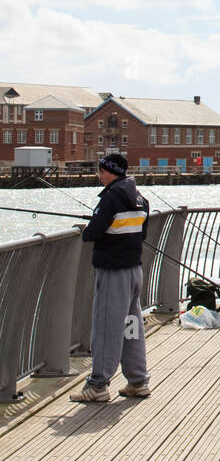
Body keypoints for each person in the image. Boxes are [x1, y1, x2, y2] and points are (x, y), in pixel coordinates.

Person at [71, 153, 151, 403]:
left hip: (113, 271)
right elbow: (142, 233)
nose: (99, 175)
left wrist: (89, 228)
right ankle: (137, 380)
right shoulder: (140, 198)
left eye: (102, 171)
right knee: (131, 325)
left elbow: (92, 233)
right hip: (134, 270)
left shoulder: (111, 197)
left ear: (112, 171)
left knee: (107, 326)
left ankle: (98, 384)